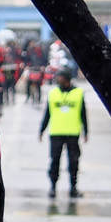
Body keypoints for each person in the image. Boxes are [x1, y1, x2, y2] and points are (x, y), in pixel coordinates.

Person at [40, 67, 87, 198]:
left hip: (73, 133)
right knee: (54, 161)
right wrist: (42, 130)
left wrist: (86, 131)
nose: (57, 79)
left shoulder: (78, 92)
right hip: (56, 132)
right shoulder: (53, 93)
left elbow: (83, 113)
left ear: (67, 79)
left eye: (60, 77)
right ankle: (53, 187)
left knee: (73, 163)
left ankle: (73, 188)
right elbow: (47, 113)